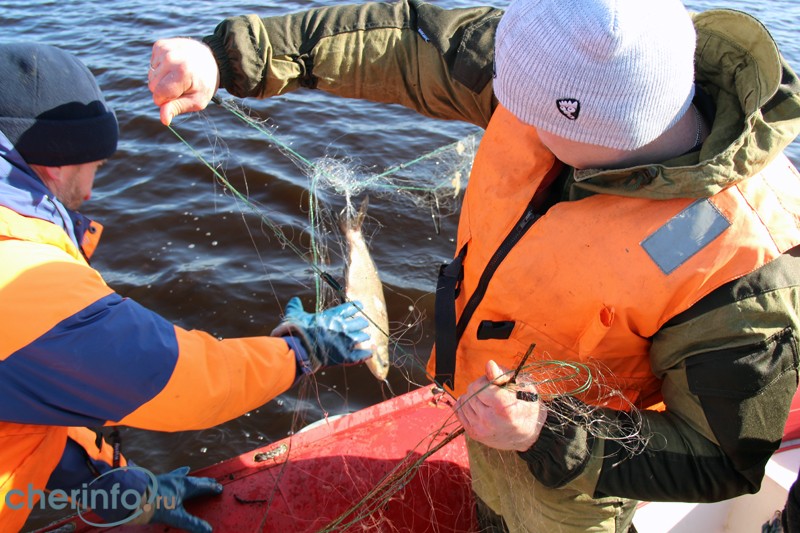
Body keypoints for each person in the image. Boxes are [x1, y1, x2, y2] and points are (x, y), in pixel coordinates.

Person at [147, 0, 800, 531]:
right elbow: (409, 42)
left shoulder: (745, 259)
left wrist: (545, 432)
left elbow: (719, 458)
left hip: (576, 480)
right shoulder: (560, 57)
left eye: (526, 107)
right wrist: (229, 57)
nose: (502, 104)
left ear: (588, 123)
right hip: (485, 415)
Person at [0, 42, 374, 533]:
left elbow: (22, 393)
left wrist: (101, 480)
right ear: (55, 164)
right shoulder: (21, 278)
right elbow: (185, 381)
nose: (90, 194)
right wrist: (302, 351)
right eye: (95, 166)